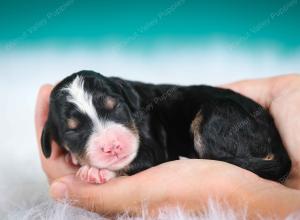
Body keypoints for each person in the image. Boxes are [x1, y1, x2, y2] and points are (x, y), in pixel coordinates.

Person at [35, 74, 300, 218]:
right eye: (76, 133)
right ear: (54, 140)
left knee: (208, 122)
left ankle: (258, 163)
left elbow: (151, 156)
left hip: (229, 115)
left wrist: (114, 172)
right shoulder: (122, 101)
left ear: (128, 100)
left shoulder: (141, 107)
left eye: (114, 111)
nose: (110, 143)